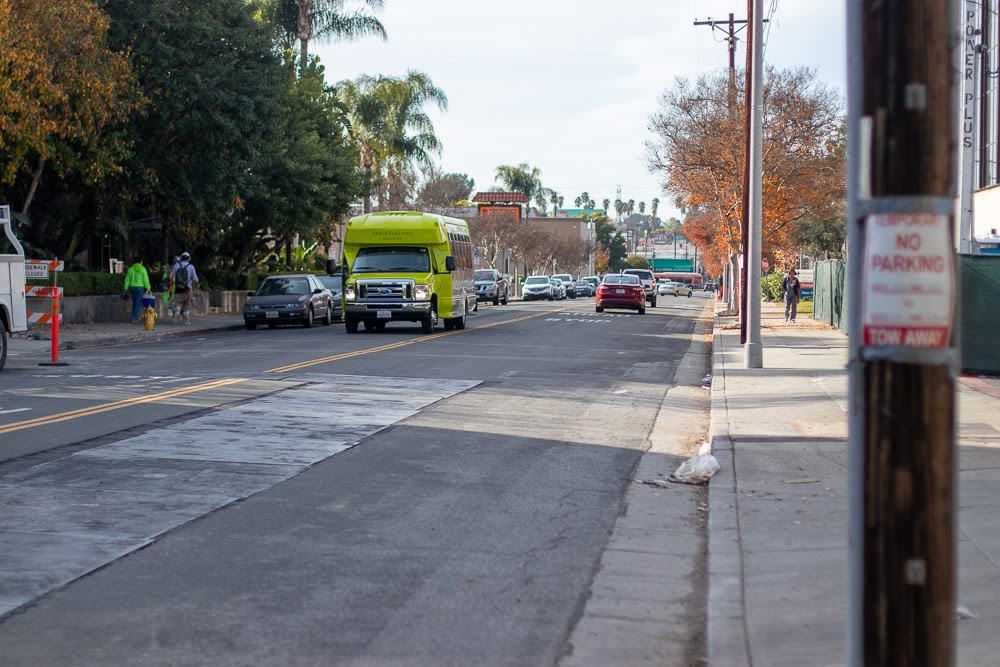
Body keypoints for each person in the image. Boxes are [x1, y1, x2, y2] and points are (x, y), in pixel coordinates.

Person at [170, 251, 200, 324]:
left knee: (178, 302)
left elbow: (170, 276)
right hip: (188, 289)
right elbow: (195, 278)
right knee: (187, 304)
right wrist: (198, 282)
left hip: (178, 288)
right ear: (188, 259)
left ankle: (177, 311)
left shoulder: (176, 266)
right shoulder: (191, 266)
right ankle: (186, 320)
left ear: (181, 258)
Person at [123, 257, 151, 324]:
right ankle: (134, 318)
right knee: (138, 303)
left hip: (132, 287)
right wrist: (148, 287)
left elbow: (127, 279)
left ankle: (135, 316)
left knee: (135, 302)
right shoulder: (143, 269)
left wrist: (125, 287)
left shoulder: (130, 269)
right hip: (140, 288)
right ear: (141, 262)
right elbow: (145, 279)